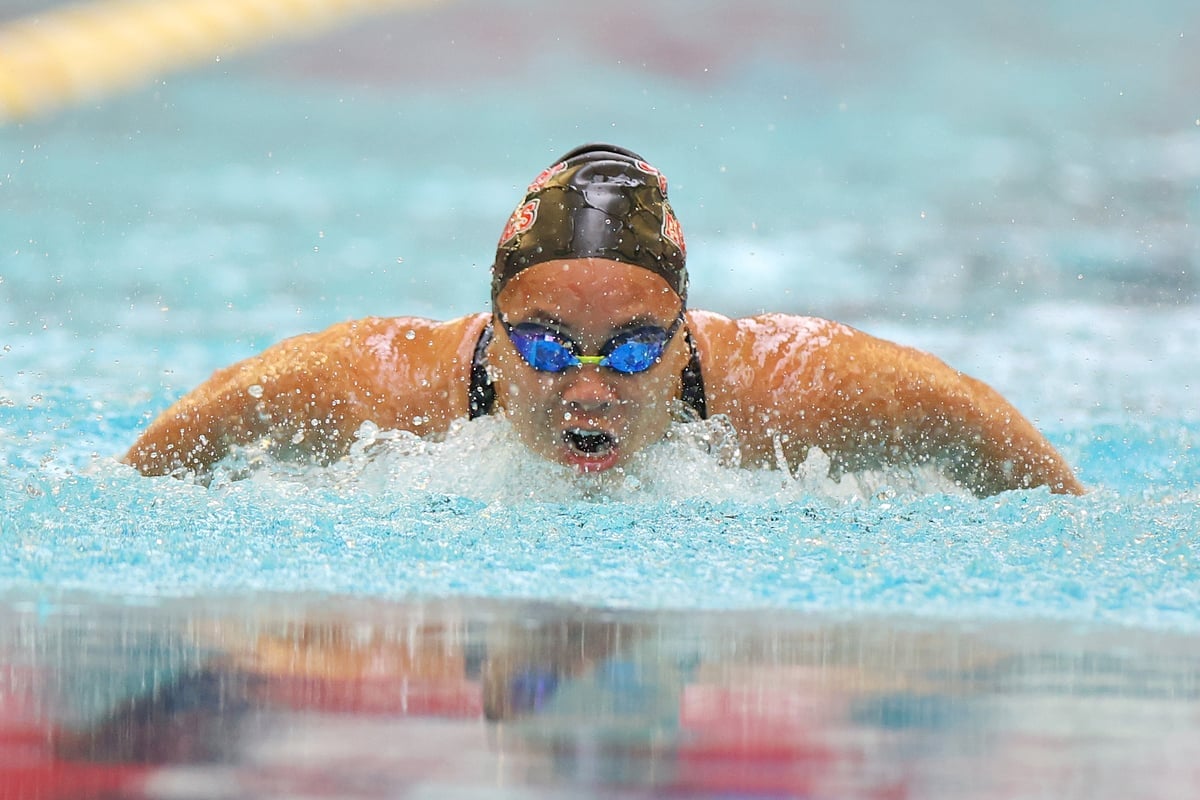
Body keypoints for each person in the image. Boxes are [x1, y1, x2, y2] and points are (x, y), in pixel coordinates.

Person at [123, 143, 1084, 496]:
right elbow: (136, 487)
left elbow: (1044, 492)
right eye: (543, 343)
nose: (588, 389)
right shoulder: (368, 383)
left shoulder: (809, 388)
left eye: (632, 350)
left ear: (682, 332)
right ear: (493, 327)